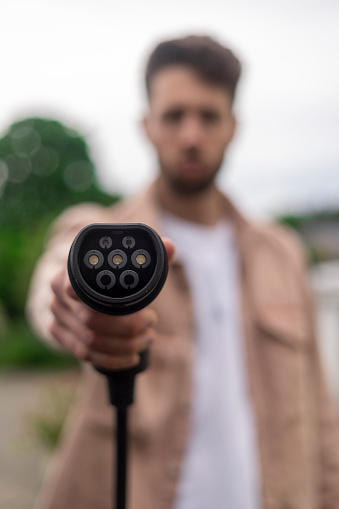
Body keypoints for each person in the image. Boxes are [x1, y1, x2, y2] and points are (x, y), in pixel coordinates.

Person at [27, 36, 339, 509]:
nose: (191, 135)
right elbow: (57, 270)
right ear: (148, 125)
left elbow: (321, 411)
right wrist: (68, 304)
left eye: (208, 116)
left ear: (233, 126)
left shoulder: (284, 252)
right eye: (174, 116)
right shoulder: (102, 235)